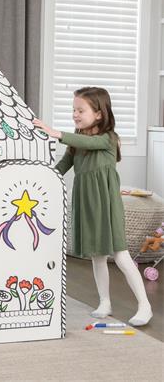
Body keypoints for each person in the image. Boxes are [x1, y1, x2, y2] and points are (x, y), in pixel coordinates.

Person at [33, 86, 152, 326]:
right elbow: (63, 165)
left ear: (98, 114)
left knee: (121, 255)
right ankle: (104, 301)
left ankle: (145, 305)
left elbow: (88, 142)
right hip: (86, 201)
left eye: (81, 110)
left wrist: (56, 133)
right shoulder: (77, 141)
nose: (75, 114)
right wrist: (42, 180)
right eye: (73, 110)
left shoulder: (108, 139)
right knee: (97, 256)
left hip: (106, 204)